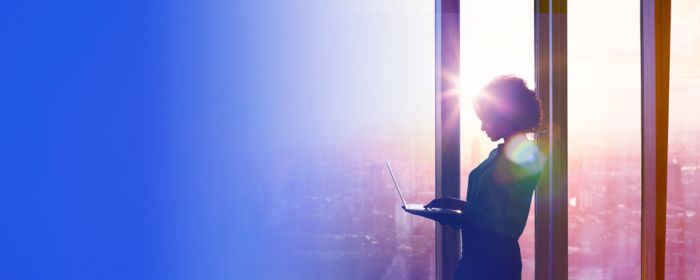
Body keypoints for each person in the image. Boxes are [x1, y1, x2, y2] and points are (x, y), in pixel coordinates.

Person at [425, 76, 543, 280]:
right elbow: (487, 208)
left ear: (506, 115)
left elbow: (511, 225)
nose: (482, 127)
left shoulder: (526, 159)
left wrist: (462, 213)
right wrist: (453, 205)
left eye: (486, 119)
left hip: (495, 264)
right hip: (475, 257)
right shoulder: (497, 154)